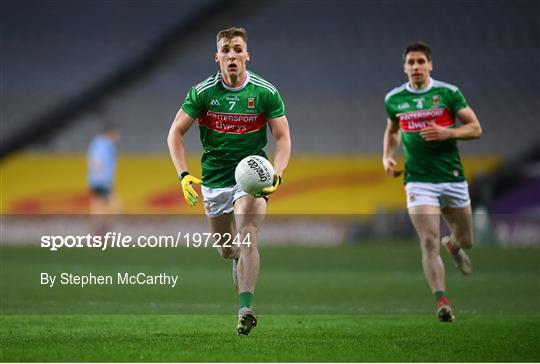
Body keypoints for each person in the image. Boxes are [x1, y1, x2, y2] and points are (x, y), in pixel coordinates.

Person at [167, 27, 291, 335]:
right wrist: (183, 175)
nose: (232, 55)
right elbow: (174, 133)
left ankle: (245, 308)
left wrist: (277, 173)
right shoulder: (203, 92)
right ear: (217, 57)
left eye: (237, 49)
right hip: (214, 178)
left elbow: (283, 137)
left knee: (248, 232)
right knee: (226, 249)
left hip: (251, 177)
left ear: (247, 55)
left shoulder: (265, 92)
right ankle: (235, 260)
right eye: (226, 50)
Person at [382, 42, 482, 322]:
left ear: (430, 65)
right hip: (418, 180)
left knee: (467, 240)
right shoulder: (394, 99)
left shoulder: (448, 94)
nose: (416, 67)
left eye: (420, 62)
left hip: (451, 177)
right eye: (411, 62)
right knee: (428, 240)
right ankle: (442, 301)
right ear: (404, 67)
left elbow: (476, 128)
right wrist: (387, 157)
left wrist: (446, 133)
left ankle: (455, 246)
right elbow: (392, 131)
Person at [87, 124, 120, 233]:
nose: (117, 137)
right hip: (101, 183)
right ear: (109, 133)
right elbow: (98, 162)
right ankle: (99, 233)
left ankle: (98, 233)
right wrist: (102, 179)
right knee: (111, 207)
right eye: (114, 134)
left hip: (98, 182)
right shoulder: (103, 144)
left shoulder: (99, 143)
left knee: (100, 209)